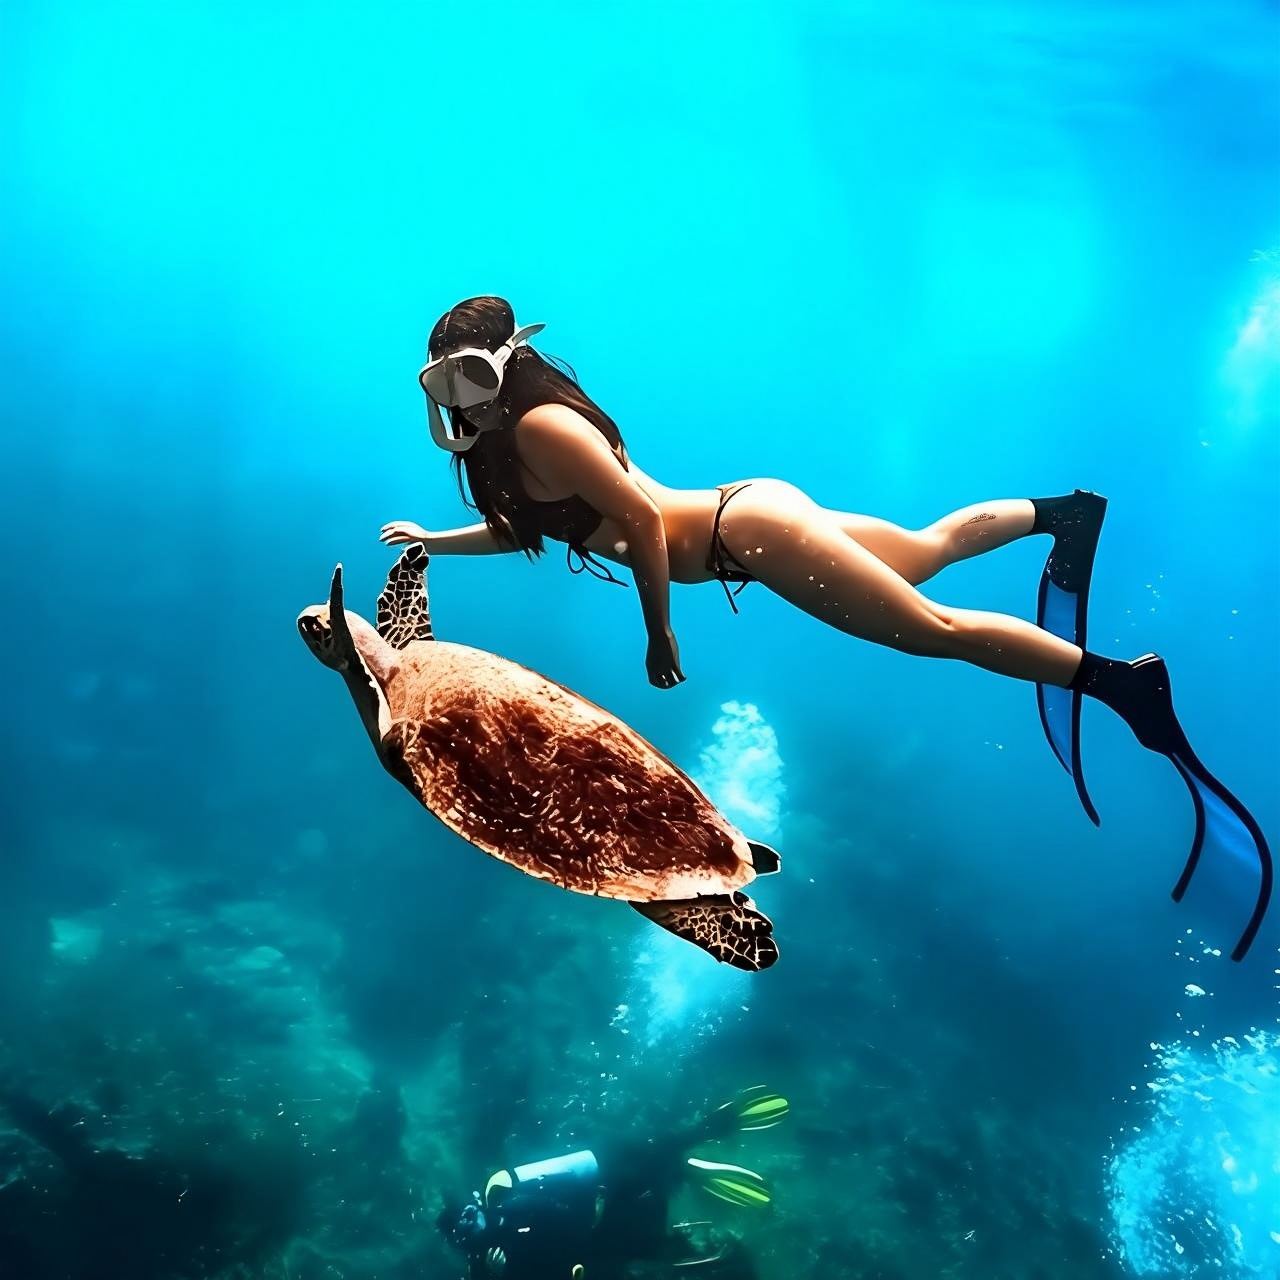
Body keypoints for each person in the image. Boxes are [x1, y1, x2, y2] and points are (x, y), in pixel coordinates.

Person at [380, 296, 1270, 960]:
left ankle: (1121, 682)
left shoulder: (543, 427)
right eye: (442, 381)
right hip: (748, 515)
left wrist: (661, 633)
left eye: (471, 375)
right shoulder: (503, 445)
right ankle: (1062, 516)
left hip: (746, 538)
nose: (458, 397)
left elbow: (644, 527)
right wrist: (435, 544)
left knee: (933, 625)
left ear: (507, 365)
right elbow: (527, 528)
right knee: (920, 553)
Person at [436, 1087, 788, 1279]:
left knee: (642, 1170)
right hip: (603, 1233)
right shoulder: (482, 1270)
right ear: (459, 1242)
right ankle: (684, 1168)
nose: (471, 1223)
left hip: (603, 1206)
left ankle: (700, 1142)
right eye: (463, 1227)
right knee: (644, 1231)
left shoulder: (509, 1203)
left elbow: (560, 1217)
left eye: (467, 1214)